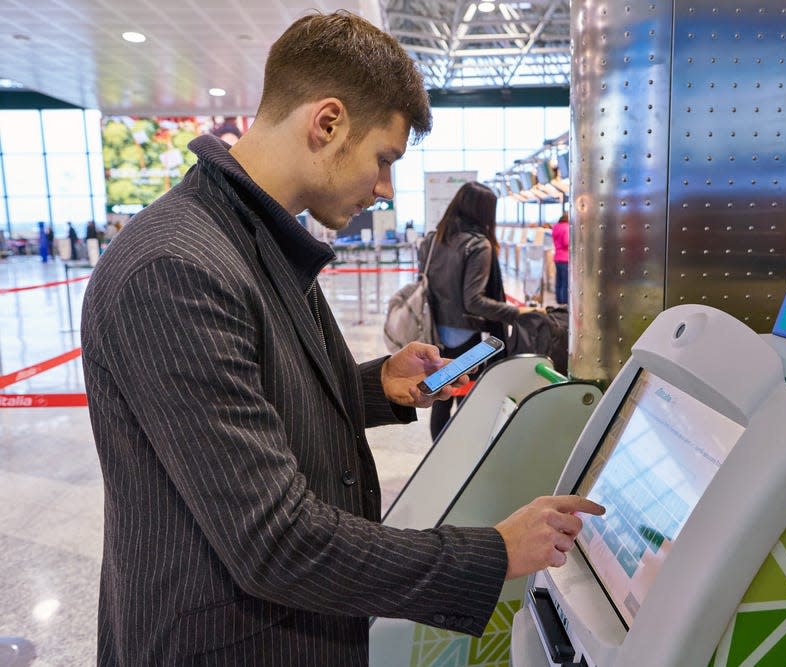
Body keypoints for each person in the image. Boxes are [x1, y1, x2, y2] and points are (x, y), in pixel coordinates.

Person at [80, 11, 603, 666]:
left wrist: (374, 386)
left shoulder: (252, 239)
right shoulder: (177, 268)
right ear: (326, 123)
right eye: (383, 159)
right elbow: (275, 541)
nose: (384, 189)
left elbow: (245, 406)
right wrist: (494, 550)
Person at [419, 181, 539, 440]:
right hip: (464, 334)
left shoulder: (433, 239)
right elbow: (474, 301)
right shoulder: (478, 245)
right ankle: (462, 454)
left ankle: (439, 455)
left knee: (441, 397)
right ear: (485, 212)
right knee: (466, 397)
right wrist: (517, 312)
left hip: (434, 330)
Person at [552, 211, 570, 305]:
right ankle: (564, 302)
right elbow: (567, 242)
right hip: (565, 258)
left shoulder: (556, 227)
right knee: (565, 281)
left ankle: (559, 299)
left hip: (557, 257)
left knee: (558, 280)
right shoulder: (566, 227)